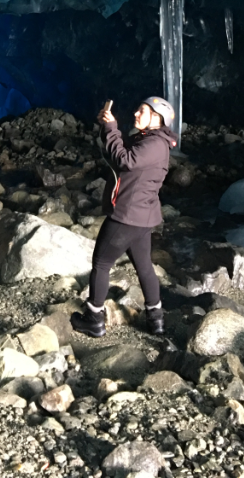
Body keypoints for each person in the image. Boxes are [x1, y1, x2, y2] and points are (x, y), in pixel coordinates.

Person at [71, 96, 178, 338]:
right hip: (141, 216)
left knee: (101, 264)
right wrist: (107, 126)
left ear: (157, 118)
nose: (136, 115)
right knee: (144, 267)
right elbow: (117, 149)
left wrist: (111, 128)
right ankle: (156, 320)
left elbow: (124, 160)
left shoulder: (154, 145)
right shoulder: (150, 140)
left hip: (127, 216)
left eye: (143, 111)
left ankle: (94, 319)